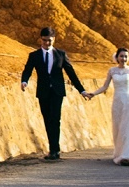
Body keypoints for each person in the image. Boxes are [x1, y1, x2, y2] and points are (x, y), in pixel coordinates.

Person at [19, 26, 87, 160]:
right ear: (40, 40)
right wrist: (24, 81)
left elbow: (71, 73)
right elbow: (27, 69)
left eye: (49, 40)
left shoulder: (60, 54)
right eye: (44, 40)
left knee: (55, 119)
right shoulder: (34, 55)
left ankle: (55, 150)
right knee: (47, 120)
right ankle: (52, 148)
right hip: (43, 92)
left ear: (54, 39)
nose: (47, 43)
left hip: (57, 92)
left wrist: (82, 90)